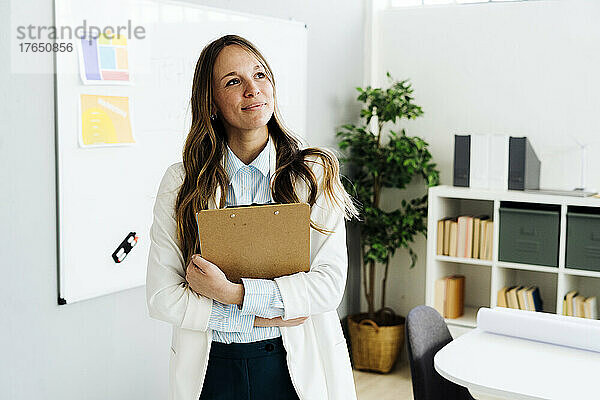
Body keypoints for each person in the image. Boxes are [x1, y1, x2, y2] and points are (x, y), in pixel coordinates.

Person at [146, 34, 359, 400]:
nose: (252, 89)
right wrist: (263, 313)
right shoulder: (180, 182)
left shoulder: (314, 174)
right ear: (211, 101)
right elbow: (162, 296)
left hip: (292, 366)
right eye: (233, 81)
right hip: (212, 367)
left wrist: (232, 293)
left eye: (260, 75)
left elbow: (327, 286)